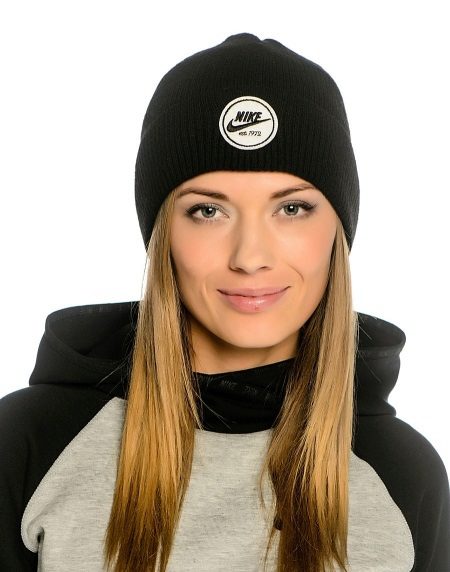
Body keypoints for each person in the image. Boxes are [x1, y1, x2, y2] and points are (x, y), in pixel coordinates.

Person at [0, 33, 448, 572]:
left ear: (337, 231)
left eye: (292, 209)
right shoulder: (30, 445)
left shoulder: (402, 475)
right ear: (163, 234)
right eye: (208, 211)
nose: (250, 257)